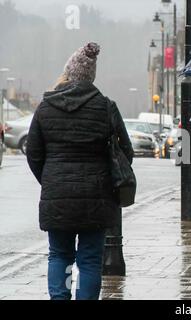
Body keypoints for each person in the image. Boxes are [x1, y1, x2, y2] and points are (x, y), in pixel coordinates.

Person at [26, 42, 133, 300]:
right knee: (90, 259)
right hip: (96, 195)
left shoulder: (45, 107)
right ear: (91, 76)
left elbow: (33, 153)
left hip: (57, 193)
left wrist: (51, 178)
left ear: (68, 74)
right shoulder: (106, 107)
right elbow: (125, 153)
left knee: (59, 254)